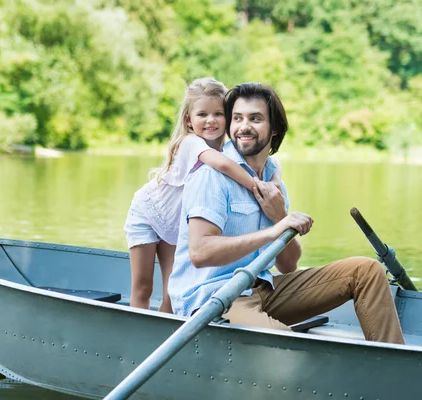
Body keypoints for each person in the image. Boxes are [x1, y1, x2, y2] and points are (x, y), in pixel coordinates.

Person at [168, 82, 404, 344]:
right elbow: (200, 253)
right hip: (214, 298)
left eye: (255, 118)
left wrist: (280, 217)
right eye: (237, 118)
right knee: (287, 346)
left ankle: (394, 371)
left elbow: (288, 265)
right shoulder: (211, 176)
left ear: (275, 129)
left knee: (366, 271)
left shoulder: (272, 180)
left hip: (264, 289)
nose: (243, 126)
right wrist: (274, 230)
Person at [124, 78, 282, 313]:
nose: (211, 120)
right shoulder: (191, 142)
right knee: (143, 287)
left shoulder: (227, 147)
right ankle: (136, 335)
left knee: (172, 290)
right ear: (189, 120)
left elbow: (272, 166)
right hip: (149, 213)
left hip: (178, 222)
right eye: (202, 115)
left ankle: (170, 338)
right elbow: (226, 166)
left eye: (219, 114)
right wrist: (258, 185)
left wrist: (275, 181)